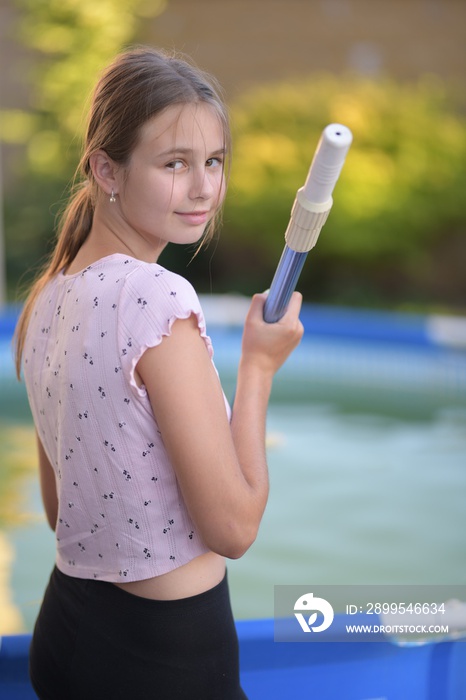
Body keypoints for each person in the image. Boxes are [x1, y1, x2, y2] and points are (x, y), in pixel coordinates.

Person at [15, 46, 303, 699]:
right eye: (175, 163)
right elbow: (233, 530)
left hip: (64, 637)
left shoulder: (46, 299)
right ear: (105, 170)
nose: (203, 187)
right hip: (164, 662)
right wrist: (258, 366)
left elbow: (63, 514)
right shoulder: (155, 297)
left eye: (214, 162)